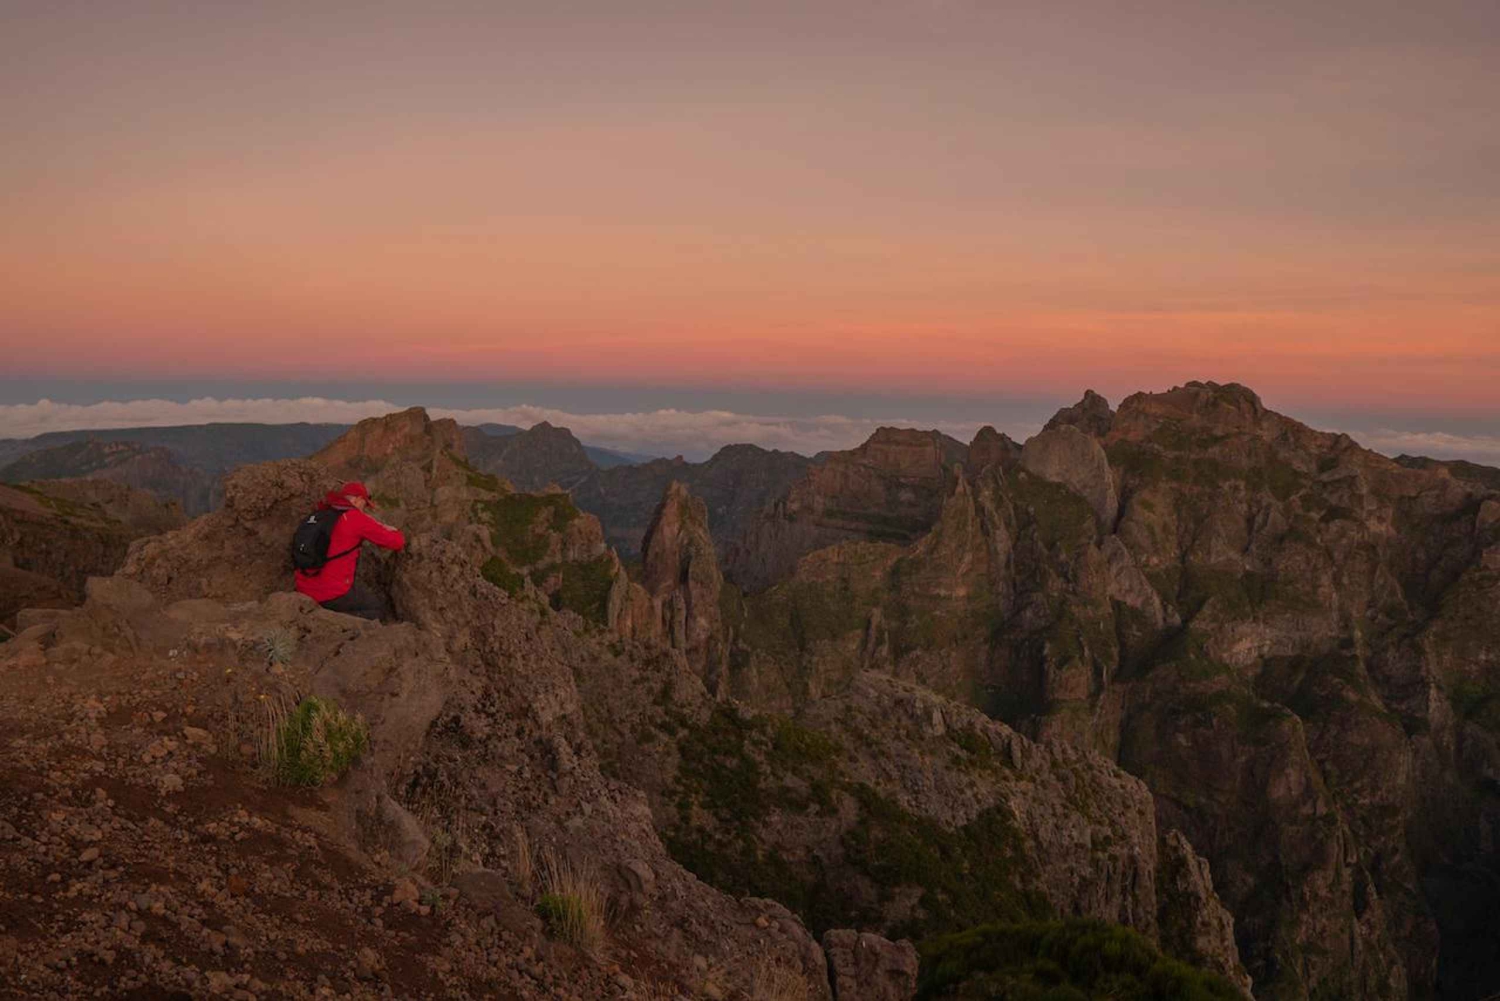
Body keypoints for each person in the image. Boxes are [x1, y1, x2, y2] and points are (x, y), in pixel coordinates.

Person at [293, 481, 404, 619]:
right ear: (358, 500)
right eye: (365, 505)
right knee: (377, 608)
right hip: (331, 592)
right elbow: (396, 542)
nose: (364, 510)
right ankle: (338, 622)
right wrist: (391, 529)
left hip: (304, 588)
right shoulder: (355, 518)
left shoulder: (322, 513)